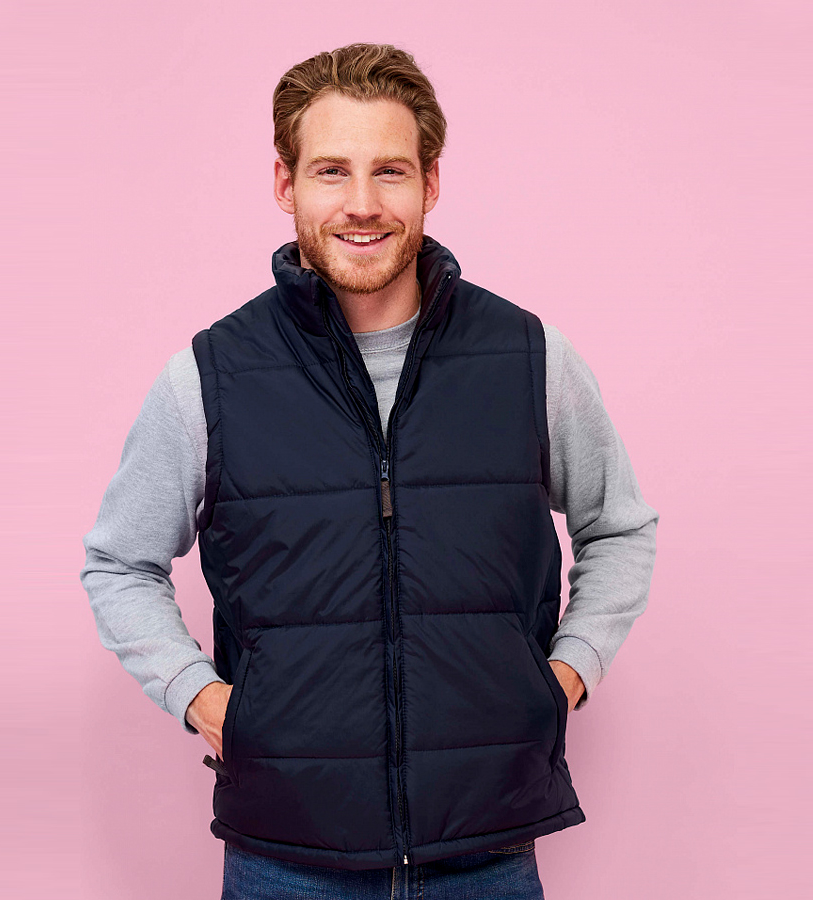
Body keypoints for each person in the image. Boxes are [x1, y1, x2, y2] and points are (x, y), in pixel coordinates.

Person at [81, 42, 658, 900]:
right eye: (331, 171)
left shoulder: (530, 358)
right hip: (285, 858)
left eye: (390, 171)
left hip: (488, 854)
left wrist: (567, 673)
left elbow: (620, 527)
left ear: (431, 183)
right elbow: (119, 561)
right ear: (286, 185)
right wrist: (203, 698)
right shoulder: (209, 377)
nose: (362, 204)